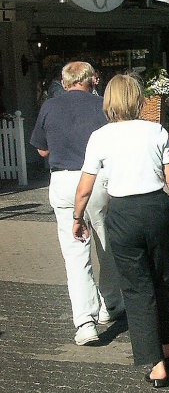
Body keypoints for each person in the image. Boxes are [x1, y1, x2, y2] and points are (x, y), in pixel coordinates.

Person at [73, 74, 169, 387]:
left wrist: (77, 217)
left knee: (136, 288)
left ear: (108, 101)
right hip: (158, 209)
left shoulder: (100, 137)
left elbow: (85, 188)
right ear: (137, 100)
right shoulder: (155, 131)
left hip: (123, 213)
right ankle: (167, 346)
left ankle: (156, 364)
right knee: (161, 279)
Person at [30, 61, 123, 347]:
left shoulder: (49, 106)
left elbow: (42, 148)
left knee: (75, 254)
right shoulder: (102, 107)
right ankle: (111, 302)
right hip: (97, 180)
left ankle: (85, 322)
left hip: (63, 181)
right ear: (91, 80)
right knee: (106, 244)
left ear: (64, 80)